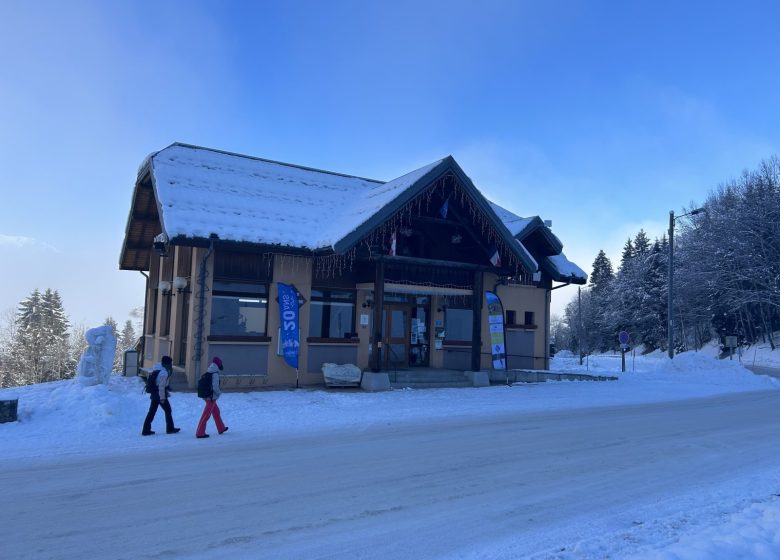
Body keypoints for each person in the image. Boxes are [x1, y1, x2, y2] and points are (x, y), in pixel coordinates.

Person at [142, 355, 180, 436]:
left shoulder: (158, 368)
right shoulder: (164, 372)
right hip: (159, 394)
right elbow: (161, 386)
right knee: (168, 410)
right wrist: (162, 398)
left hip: (154, 392)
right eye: (170, 363)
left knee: (151, 412)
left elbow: (159, 382)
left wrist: (168, 387)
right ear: (168, 363)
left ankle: (145, 430)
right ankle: (170, 429)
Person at [195, 356, 228, 439]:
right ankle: (200, 433)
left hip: (207, 396)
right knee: (206, 415)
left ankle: (221, 428)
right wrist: (219, 393)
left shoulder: (209, 371)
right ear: (218, 364)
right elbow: (215, 387)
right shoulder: (215, 374)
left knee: (216, 412)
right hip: (211, 397)